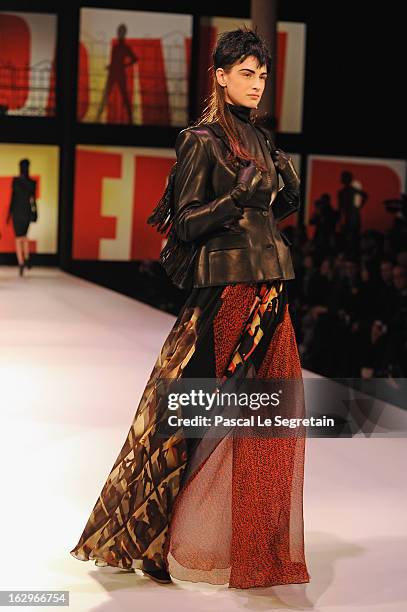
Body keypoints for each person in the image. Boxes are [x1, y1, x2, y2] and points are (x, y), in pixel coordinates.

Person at [70, 27, 311, 589]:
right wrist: (239, 197)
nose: (256, 84)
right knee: (192, 420)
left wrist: (285, 189)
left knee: (273, 422)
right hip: (227, 292)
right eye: (246, 74)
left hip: (271, 287)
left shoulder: (263, 140)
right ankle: (152, 541)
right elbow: (183, 223)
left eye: (262, 75)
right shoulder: (201, 139)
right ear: (221, 77)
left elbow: (271, 213)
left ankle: (261, 552)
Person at [6, 159, 36, 276]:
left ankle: (21, 262)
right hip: (26, 212)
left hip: (17, 212)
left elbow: (13, 199)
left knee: (18, 237)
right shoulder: (32, 182)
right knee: (23, 236)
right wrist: (35, 213)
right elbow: (32, 200)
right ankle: (26, 257)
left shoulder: (16, 181)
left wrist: (9, 214)